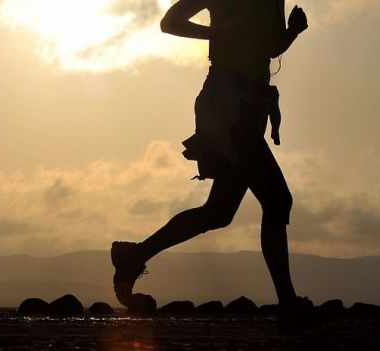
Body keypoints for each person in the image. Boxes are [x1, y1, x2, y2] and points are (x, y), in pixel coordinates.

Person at [112, 0, 311, 327]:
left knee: (218, 213)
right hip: (227, 107)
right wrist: (217, 32)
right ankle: (289, 305)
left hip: (252, 106)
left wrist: (291, 33)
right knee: (277, 201)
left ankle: (134, 255)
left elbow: (268, 48)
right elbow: (170, 22)